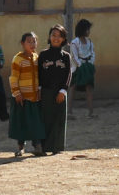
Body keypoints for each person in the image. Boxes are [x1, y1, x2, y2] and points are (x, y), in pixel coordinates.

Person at [38, 24, 73, 155]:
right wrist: (40, 89)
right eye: (53, 35)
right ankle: (44, 147)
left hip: (60, 93)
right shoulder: (43, 54)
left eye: (59, 36)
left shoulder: (66, 56)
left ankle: (57, 147)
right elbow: (39, 73)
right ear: (49, 37)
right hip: (45, 91)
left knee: (59, 119)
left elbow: (69, 75)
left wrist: (63, 91)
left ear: (64, 39)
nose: (56, 38)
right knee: (46, 119)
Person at [9, 32, 45, 156]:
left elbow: (39, 76)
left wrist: (39, 90)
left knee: (36, 122)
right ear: (22, 44)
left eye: (34, 41)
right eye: (29, 41)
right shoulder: (18, 59)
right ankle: (20, 147)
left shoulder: (37, 58)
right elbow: (13, 78)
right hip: (22, 98)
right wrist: (17, 93)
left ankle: (37, 146)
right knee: (21, 123)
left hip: (34, 97)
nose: (32, 44)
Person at [69, 19, 95, 119]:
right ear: (83, 30)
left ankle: (90, 112)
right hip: (78, 68)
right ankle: (69, 112)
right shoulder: (75, 42)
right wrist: (80, 65)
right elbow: (74, 56)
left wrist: (90, 63)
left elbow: (92, 53)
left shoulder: (89, 42)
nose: (89, 31)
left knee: (89, 88)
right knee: (73, 87)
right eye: (87, 29)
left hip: (87, 66)